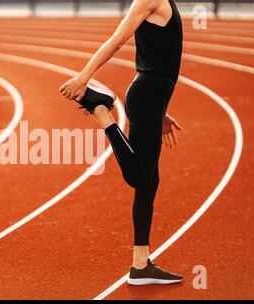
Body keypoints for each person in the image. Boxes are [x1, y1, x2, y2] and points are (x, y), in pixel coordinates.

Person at [59, 0, 184, 285]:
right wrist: (83, 78)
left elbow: (160, 56)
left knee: (150, 181)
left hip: (153, 98)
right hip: (147, 95)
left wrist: (160, 112)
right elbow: (116, 41)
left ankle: (140, 265)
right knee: (140, 176)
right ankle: (100, 111)